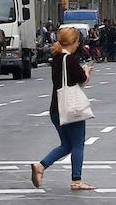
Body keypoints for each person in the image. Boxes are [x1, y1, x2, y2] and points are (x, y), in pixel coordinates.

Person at [31, 26, 94, 191]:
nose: (78, 45)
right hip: (70, 109)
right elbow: (81, 80)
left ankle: (41, 166)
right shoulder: (70, 59)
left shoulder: (57, 58)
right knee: (78, 144)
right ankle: (77, 180)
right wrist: (86, 71)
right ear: (73, 42)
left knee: (66, 144)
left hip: (55, 108)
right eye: (77, 42)